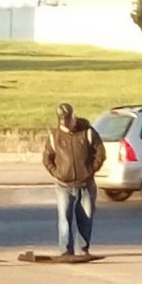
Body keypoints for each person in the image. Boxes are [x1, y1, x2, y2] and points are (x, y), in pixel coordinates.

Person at [42, 102, 106, 257]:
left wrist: (91, 170)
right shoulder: (54, 136)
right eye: (63, 123)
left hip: (86, 184)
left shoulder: (88, 132)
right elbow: (47, 158)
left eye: (69, 121)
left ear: (73, 117)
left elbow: (100, 152)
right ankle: (65, 250)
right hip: (63, 184)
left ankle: (83, 248)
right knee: (64, 218)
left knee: (86, 217)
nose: (67, 126)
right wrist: (56, 173)